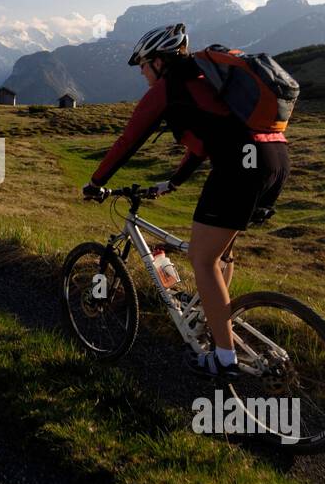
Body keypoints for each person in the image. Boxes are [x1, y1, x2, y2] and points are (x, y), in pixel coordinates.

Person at [81, 23, 290, 380]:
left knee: (200, 258)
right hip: (275, 158)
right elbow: (208, 143)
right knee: (221, 255)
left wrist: (95, 182)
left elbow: (128, 141)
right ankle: (214, 323)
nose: (143, 73)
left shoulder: (166, 90)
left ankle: (224, 359)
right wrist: (174, 182)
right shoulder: (204, 82)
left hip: (240, 166)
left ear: (160, 62)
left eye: (144, 65)